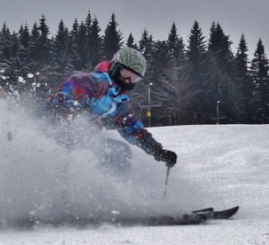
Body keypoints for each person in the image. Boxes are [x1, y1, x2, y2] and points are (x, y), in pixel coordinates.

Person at [45, 47, 177, 170]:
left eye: (133, 78)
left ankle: (110, 190)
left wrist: (157, 151)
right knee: (107, 152)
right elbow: (66, 94)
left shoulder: (119, 101)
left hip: (83, 139)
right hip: (57, 133)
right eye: (125, 74)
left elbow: (133, 129)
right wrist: (74, 115)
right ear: (115, 67)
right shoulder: (93, 82)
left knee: (120, 152)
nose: (127, 81)